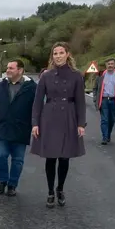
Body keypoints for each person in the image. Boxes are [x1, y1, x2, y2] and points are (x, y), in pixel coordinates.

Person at [31, 42, 86, 208]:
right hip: (49, 117)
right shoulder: (46, 76)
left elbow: (81, 102)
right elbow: (37, 101)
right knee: (51, 156)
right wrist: (35, 123)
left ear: (67, 54)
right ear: (52, 56)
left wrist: (81, 123)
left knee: (64, 157)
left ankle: (60, 188)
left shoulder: (76, 76)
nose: (58, 56)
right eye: (55, 53)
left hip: (69, 116)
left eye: (61, 53)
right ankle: (49, 191)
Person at [0, 59, 36, 196]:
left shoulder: (31, 88)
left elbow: (37, 109)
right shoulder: (0, 87)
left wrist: (36, 125)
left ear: (20, 70)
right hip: (2, 128)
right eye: (7, 68)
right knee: (0, 156)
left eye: (11, 68)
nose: (8, 70)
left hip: (21, 129)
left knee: (18, 160)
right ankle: (2, 181)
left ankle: (12, 184)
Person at [95, 58, 115, 145]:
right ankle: (104, 138)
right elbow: (95, 88)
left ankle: (108, 134)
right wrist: (95, 99)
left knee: (112, 119)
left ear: (114, 65)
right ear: (106, 65)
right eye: (108, 64)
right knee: (104, 119)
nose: (110, 65)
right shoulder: (101, 75)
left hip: (114, 100)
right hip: (104, 100)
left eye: (112, 64)